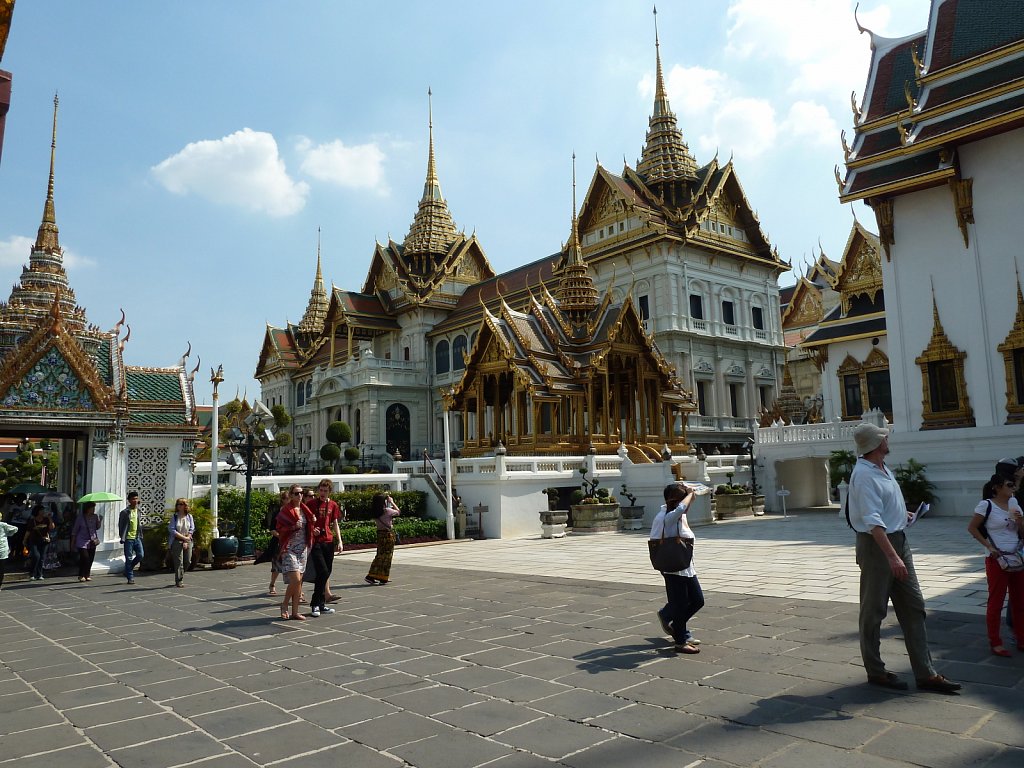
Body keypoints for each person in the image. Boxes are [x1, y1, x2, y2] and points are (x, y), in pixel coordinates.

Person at [847, 422, 961, 694]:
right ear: (875, 445)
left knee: (914, 606)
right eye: (883, 437)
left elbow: (883, 510)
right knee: (873, 610)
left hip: (897, 539)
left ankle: (925, 672)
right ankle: (875, 671)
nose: (887, 439)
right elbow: (872, 522)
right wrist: (893, 557)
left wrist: (903, 514)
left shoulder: (883, 469)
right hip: (878, 547)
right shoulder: (864, 475)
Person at [967, 474, 1024, 656]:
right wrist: (989, 546)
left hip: (1016, 556)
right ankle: (995, 641)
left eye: (1013, 485)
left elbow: (1021, 532)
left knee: (1020, 601)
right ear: (997, 487)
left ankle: (1022, 638)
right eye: (1009, 484)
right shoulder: (987, 505)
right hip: (996, 558)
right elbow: (972, 528)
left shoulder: (1015, 504)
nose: (1012, 488)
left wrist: (1020, 521)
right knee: (996, 601)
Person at [651, 482, 703, 654]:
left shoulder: (678, 514)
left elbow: (684, 505)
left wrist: (687, 487)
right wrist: (688, 494)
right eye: (685, 501)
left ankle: (670, 619)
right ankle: (680, 640)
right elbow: (682, 507)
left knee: (697, 600)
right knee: (680, 604)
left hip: (685, 565)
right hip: (673, 566)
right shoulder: (666, 516)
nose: (688, 505)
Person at [276, 484, 314, 620]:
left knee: (299, 582)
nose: (300, 496)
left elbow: (308, 527)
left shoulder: (305, 510)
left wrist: (312, 528)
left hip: (302, 548)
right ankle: (284, 604)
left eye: (301, 493)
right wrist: (292, 527)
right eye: (297, 493)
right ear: (291, 495)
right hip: (289, 548)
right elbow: (279, 529)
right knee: (296, 579)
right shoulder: (286, 510)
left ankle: (295, 612)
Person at [307, 479, 343, 617]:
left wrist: (339, 540)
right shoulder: (311, 504)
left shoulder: (333, 505)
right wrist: (312, 529)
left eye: (325, 491)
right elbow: (305, 521)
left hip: (328, 540)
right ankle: (315, 603)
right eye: (321, 490)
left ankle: (321, 604)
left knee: (327, 572)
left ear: (329, 492)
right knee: (322, 571)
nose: (322, 493)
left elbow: (334, 523)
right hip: (316, 542)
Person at [365, 492, 401, 585]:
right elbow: (398, 511)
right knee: (387, 556)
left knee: (380, 555)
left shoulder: (376, 511)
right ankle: (377, 576)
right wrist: (392, 502)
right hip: (388, 535)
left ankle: (378, 576)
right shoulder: (387, 511)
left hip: (380, 534)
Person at [167, 499, 195, 588]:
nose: (179, 506)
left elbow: (192, 528)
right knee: (179, 561)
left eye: (181, 504)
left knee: (188, 561)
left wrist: (187, 538)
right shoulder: (175, 517)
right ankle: (179, 580)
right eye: (178, 504)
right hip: (177, 540)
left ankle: (181, 575)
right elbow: (172, 529)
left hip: (187, 539)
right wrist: (183, 538)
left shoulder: (189, 517)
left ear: (185, 506)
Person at [118, 491, 144, 585]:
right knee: (128, 558)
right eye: (133, 499)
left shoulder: (138, 511)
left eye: (136, 498)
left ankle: (128, 569)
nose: (135, 500)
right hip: (128, 538)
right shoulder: (125, 512)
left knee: (140, 555)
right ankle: (130, 576)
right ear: (129, 500)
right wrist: (122, 536)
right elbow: (121, 525)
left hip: (137, 537)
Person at [71, 502, 102, 582]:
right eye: (92, 508)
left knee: (91, 558)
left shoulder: (95, 517)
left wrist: (100, 520)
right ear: (87, 508)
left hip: (92, 541)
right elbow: (75, 530)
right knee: (85, 558)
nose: (93, 510)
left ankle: (87, 574)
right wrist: (72, 543)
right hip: (82, 540)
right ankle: (81, 574)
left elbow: (97, 527)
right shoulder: (80, 518)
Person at [25, 505, 54, 581]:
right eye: (42, 510)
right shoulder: (32, 521)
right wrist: (24, 540)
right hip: (34, 540)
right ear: (38, 511)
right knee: (36, 556)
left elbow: (51, 527)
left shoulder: (46, 520)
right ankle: (32, 573)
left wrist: (50, 518)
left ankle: (39, 574)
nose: (43, 512)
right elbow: (28, 531)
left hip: (44, 541)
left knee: (41, 557)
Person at [0, 516, 19, 589]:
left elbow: (15, 529)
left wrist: (8, 534)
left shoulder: (3, 525)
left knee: (1, 569)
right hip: (3, 549)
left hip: (2, 550)